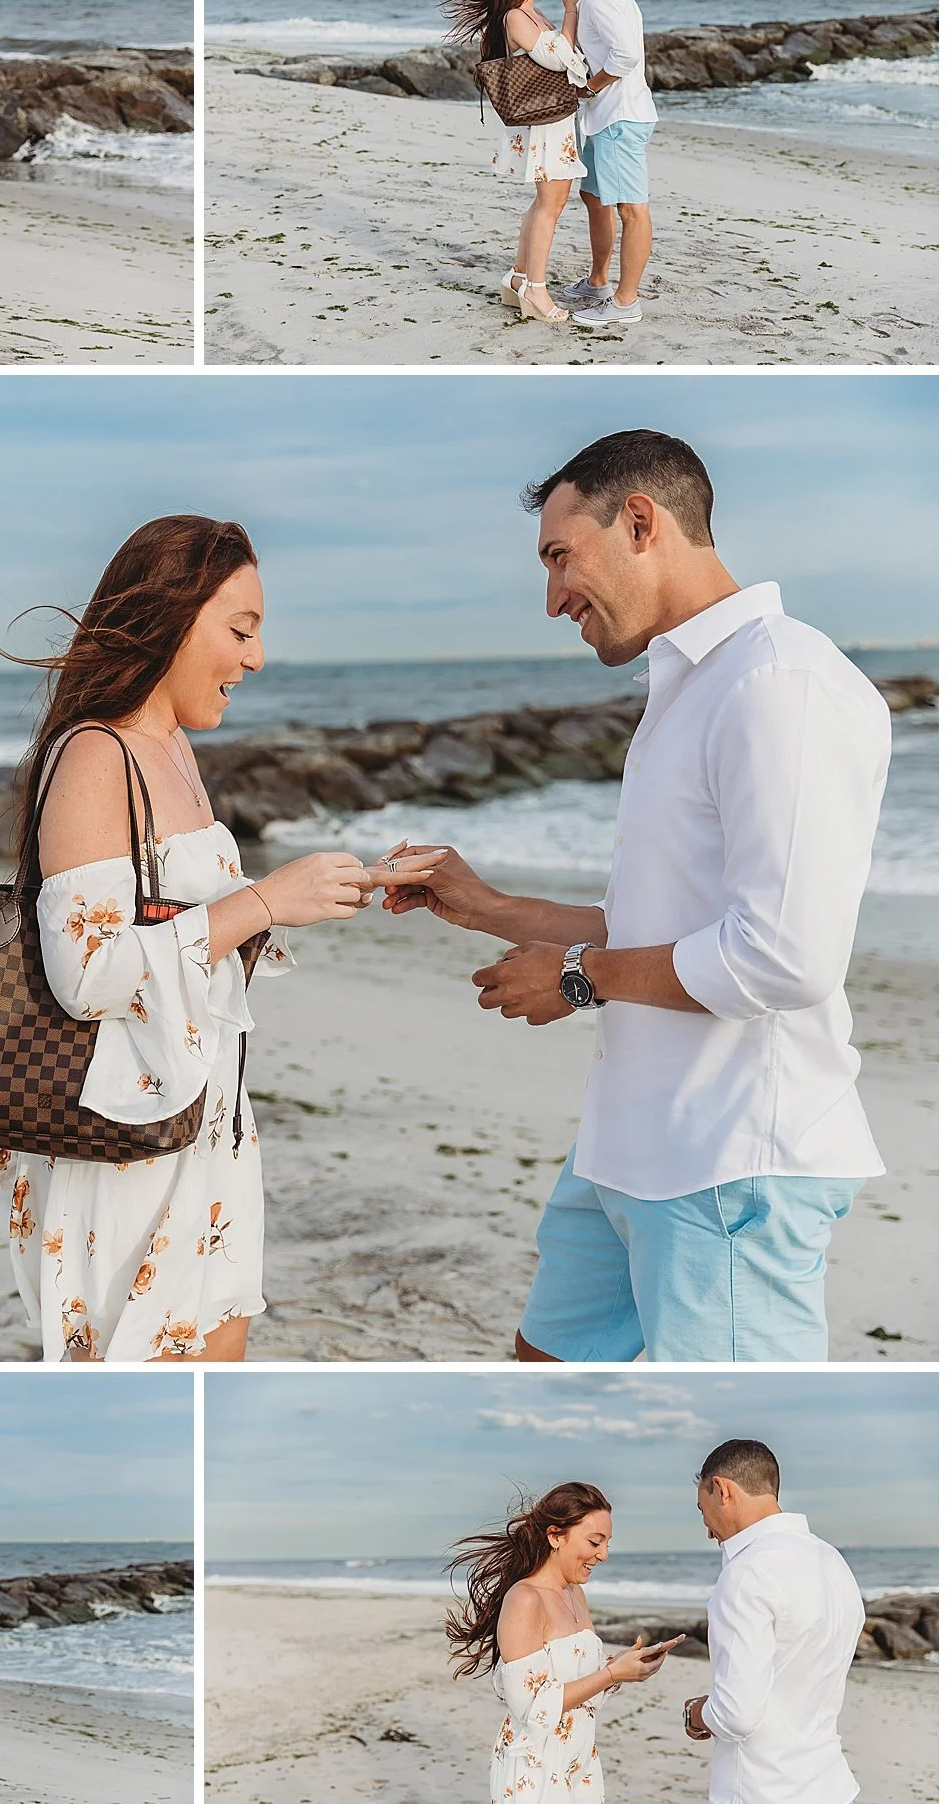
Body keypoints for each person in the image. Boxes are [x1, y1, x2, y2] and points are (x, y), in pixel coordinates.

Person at [381, 429, 890, 1362]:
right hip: (628, 1143)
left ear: (642, 522)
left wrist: (577, 978)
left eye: (559, 557)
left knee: (727, 1424)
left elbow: (784, 956)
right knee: (543, 1376)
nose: (551, 599)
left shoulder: (781, 681)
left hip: (732, 1163)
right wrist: (485, 904)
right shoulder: (693, 684)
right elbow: (662, 924)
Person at [0, 514, 442, 1363]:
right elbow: (87, 974)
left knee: (214, 1362)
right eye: (241, 629)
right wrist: (265, 901)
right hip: (125, 1138)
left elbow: (195, 933)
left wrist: (333, 889)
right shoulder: (93, 754)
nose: (256, 658)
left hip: (208, 1120)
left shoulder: (176, 749)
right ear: (170, 620)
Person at [446, 1480, 679, 1804]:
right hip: (536, 1767)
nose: (603, 1555)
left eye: (607, 1543)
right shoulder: (524, 1599)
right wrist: (611, 1675)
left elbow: (573, 1682)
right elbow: (530, 1707)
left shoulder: (575, 1594)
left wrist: (621, 1668)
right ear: (555, 1536)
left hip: (582, 1760)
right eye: (594, 1541)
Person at [684, 1440, 864, 1804]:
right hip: (828, 1799)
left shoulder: (747, 1573)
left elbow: (736, 1714)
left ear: (723, 1490)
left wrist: (696, 1714)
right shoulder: (832, 1561)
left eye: (701, 1509)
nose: (706, 1527)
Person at [445, 0, 588, 325]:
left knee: (547, 202)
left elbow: (565, 55)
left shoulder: (532, 12)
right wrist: (571, 10)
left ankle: (519, 277)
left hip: (551, 120)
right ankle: (535, 290)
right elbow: (560, 59)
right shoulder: (514, 17)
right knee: (551, 203)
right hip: (544, 124)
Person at [542, 0, 659, 328]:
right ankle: (598, 283)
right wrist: (569, 8)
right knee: (593, 197)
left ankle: (626, 303)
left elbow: (626, 53)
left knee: (632, 208)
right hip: (602, 118)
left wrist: (591, 86)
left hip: (620, 117)